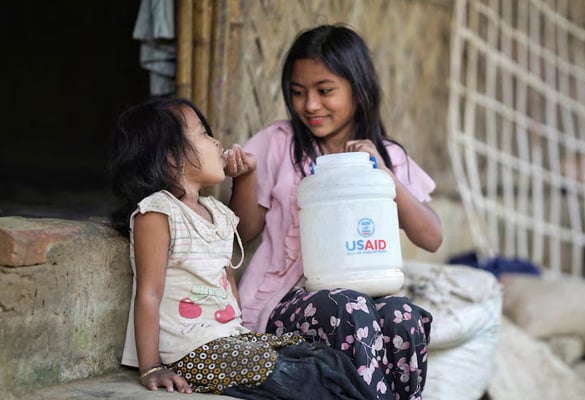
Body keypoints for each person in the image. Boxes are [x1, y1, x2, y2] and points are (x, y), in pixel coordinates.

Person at [227, 24, 443, 399]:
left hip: (366, 299)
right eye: (298, 93)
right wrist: (244, 179)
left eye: (325, 91)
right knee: (352, 306)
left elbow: (432, 237)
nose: (310, 105)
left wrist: (385, 175)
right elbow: (243, 232)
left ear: (358, 91)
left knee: (404, 316)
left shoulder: (386, 155)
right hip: (285, 302)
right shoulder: (279, 143)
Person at [109, 97, 374, 399]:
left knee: (324, 359)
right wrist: (151, 367)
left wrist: (247, 176)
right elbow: (148, 293)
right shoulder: (157, 213)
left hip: (230, 338)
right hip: (191, 350)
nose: (216, 141)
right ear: (170, 156)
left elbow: (229, 268)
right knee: (300, 375)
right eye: (204, 134)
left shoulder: (214, 211)